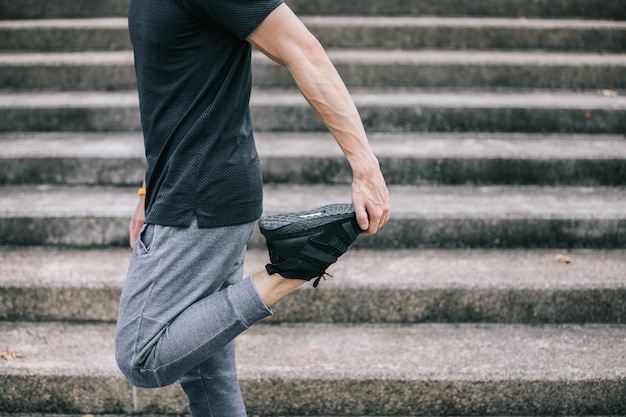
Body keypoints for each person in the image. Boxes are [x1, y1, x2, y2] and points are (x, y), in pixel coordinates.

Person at [114, 0, 389, 415]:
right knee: (208, 382)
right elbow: (173, 95)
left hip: (199, 201)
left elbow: (302, 49)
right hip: (184, 191)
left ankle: (291, 268)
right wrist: (146, 190)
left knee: (141, 355)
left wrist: (365, 166)